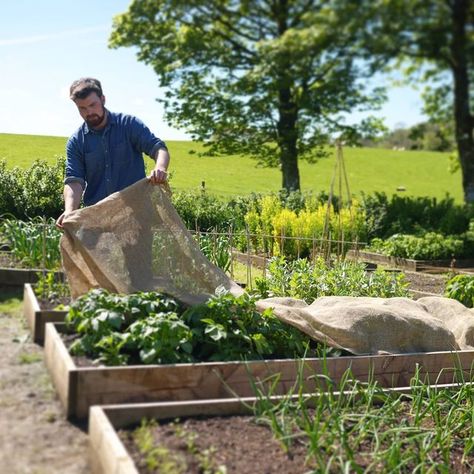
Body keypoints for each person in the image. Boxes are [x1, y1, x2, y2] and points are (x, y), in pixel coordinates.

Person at [56, 77, 170, 228]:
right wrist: (70, 211)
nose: (89, 112)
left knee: (138, 253)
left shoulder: (129, 125)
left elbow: (159, 148)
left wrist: (160, 167)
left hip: (135, 216)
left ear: (103, 99)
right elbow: (74, 181)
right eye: (82, 108)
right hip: (97, 220)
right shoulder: (76, 141)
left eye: (92, 105)